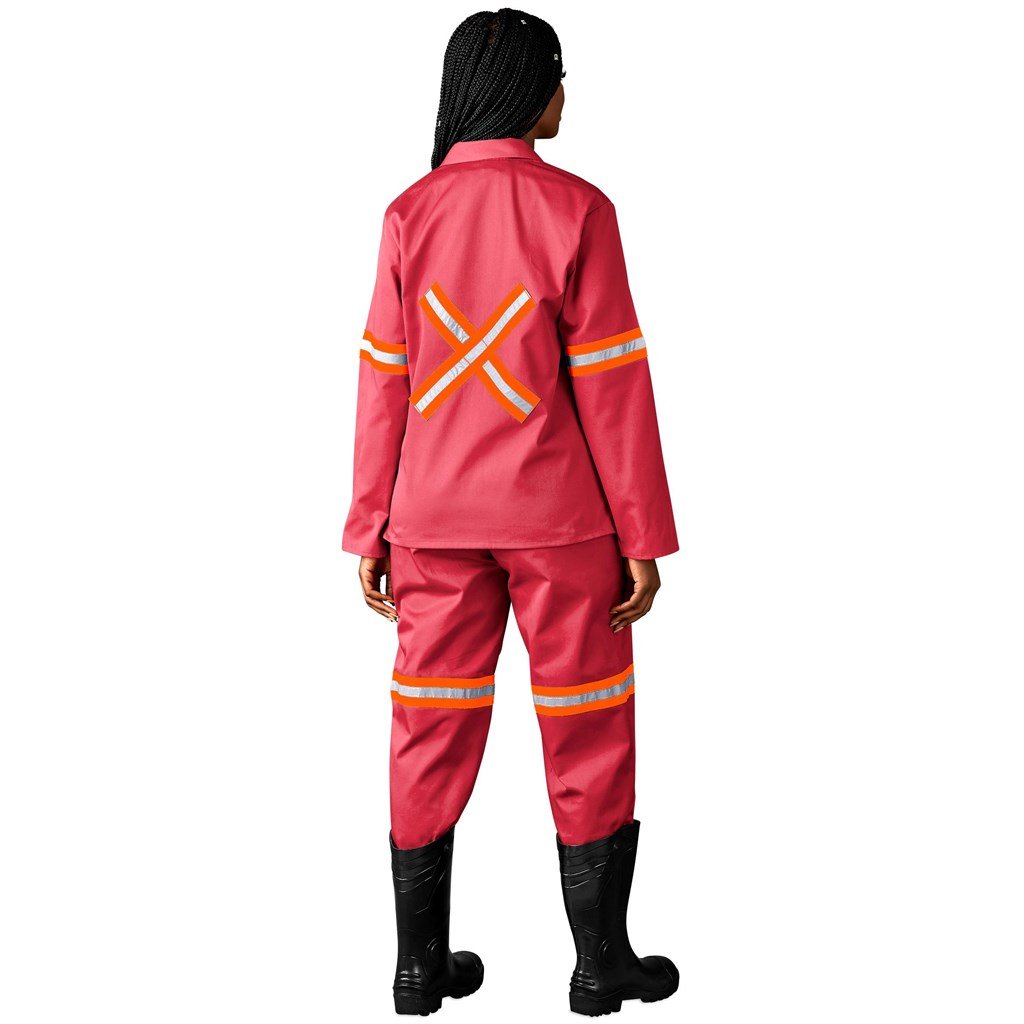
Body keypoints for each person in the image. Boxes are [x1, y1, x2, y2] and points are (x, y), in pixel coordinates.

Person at [342, 9, 680, 1016]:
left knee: (427, 727)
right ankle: (600, 965)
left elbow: (384, 380)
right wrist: (644, 537)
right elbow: (613, 383)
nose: (567, 94)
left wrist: (368, 526)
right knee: (587, 723)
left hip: (431, 524)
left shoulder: (409, 213)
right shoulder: (579, 209)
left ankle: (417, 969)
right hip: (563, 525)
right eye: (560, 75)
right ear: (529, 89)